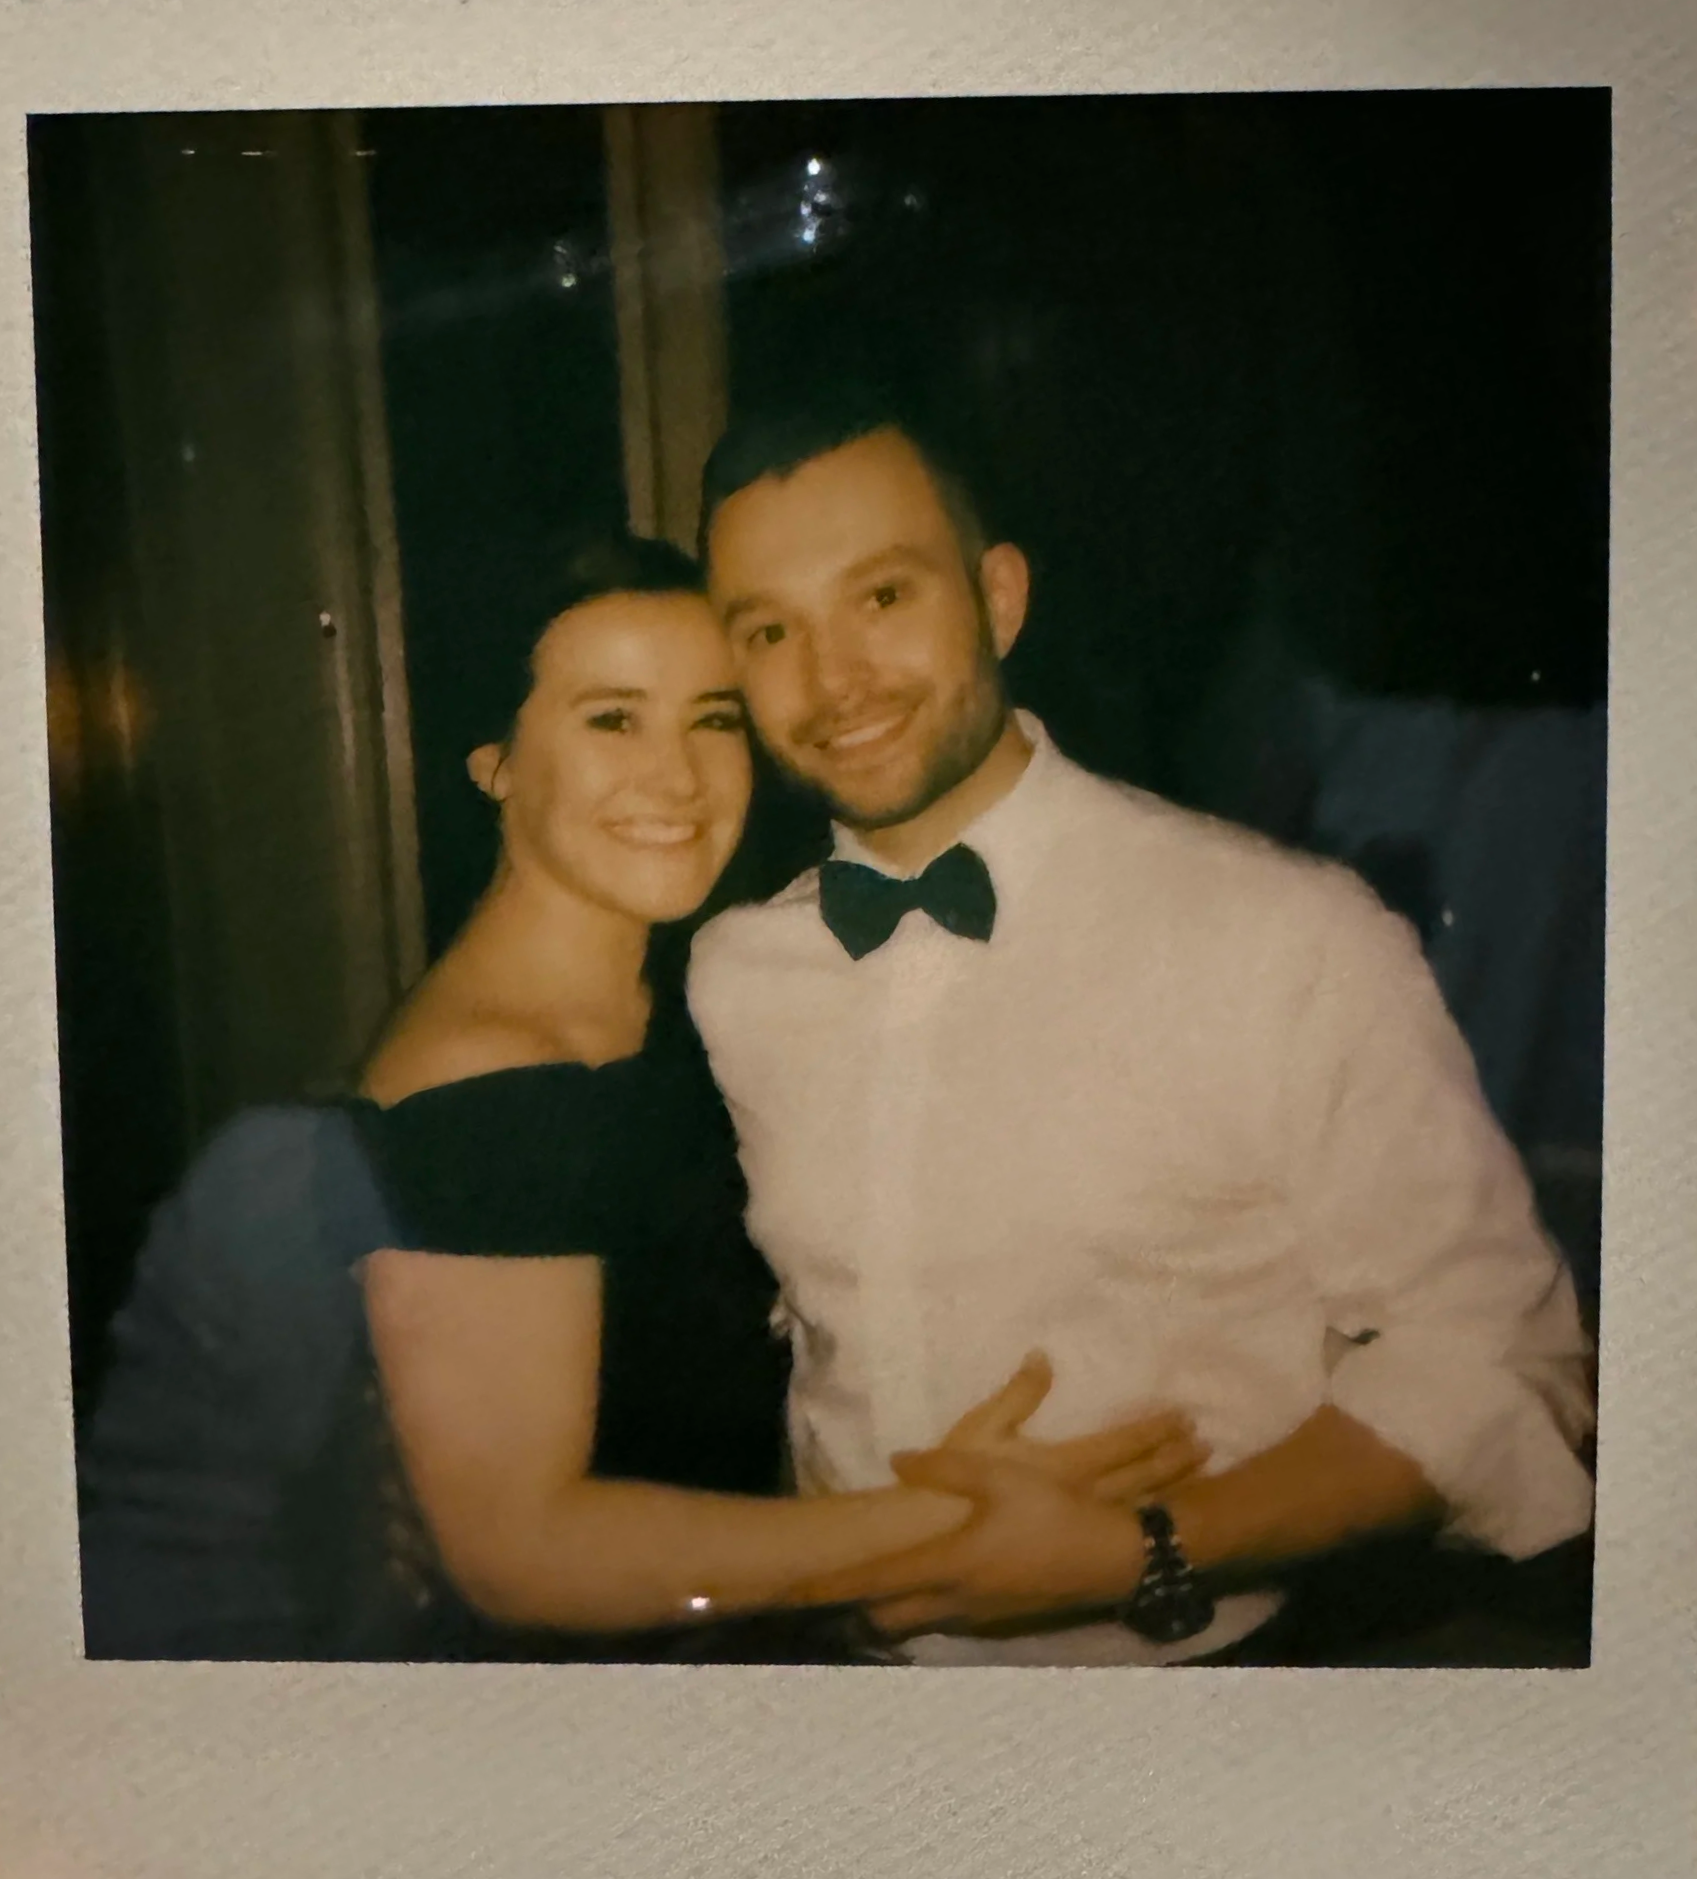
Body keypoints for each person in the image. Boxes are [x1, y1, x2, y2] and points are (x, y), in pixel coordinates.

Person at [77, 533, 1200, 1664]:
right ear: (495, 759)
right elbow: (521, 1549)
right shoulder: (493, 1083)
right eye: (612, 718)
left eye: (712, 718)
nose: (677, 777)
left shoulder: (668, 996)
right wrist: (954, 1524)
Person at [685, 385, 1598, 1667]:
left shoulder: (1284, 937)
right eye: (770, 628)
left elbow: (1496, 1353)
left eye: (882, 597)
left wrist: (1140, 1547)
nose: (833, 678)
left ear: (997, 598)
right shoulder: (735, 973)